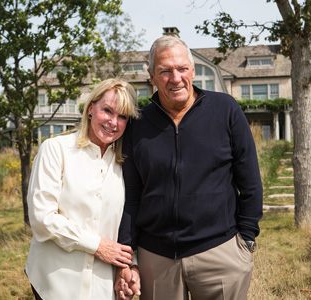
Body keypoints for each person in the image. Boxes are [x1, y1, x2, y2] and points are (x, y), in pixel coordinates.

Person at [115, 35, 263, 300]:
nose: (175, 78)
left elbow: (250, 180)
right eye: (165, 71)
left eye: (182, 69)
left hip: (220, 252)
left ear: (193, 70)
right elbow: (131, 196)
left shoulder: (225, 109)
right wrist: (128, 254)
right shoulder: (138, 122)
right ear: (151, 76)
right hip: (155, 259)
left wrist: (246, 240)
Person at [25, 78, 140, 300]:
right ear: (90, 109)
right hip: (55, 283)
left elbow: (125, 223)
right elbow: (42, 219)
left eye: (122, 116)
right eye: (107, 111)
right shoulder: (55, 150)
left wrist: (127, 265)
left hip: (103, 286)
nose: (113, 122)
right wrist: (97, 246)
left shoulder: (125, 165)